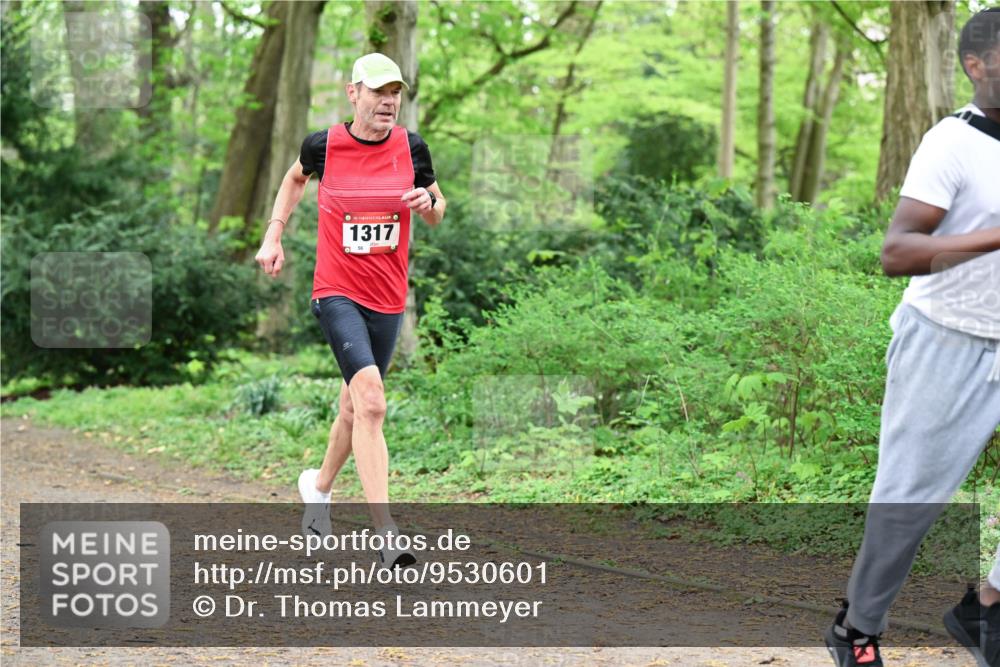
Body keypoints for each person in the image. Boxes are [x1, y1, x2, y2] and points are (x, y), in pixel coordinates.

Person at [824, 8, 1000, 667]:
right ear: (976, 66)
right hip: (945, 341)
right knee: (908, 502)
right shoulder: (951, 143)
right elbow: (898, 250)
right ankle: (858, 627)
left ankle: (986, 603)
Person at [254, 53, 446, 569]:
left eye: (396, 92)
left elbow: (437, 207)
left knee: (353, 408)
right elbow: (294, 180)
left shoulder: (412, 147)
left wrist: (428, 206)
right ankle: (387, 533)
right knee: (374, 403)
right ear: (353, 92)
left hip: (389, 298)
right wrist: (275, 234)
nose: (389, 101)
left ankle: (317, 489)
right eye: (379, 91)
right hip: (336, 292)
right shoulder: (324, 146)